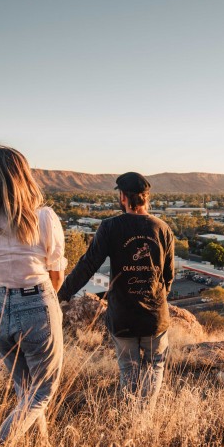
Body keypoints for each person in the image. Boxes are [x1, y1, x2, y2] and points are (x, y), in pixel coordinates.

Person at [0, 145, 66, 443]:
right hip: (36, 302)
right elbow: (56, 274)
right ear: (24, 176)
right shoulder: (44, 218)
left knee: (26, 389)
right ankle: (0, 445)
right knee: (43, 391)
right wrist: (40, 302)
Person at [58, 172, 174, 407]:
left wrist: (62, 293)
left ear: (123, 197)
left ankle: (133, 413)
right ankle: (146, 413)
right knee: (155, 365)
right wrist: (156, 299)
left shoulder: (110, 227)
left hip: (123, 316)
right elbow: (169, 276)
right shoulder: (162, 229)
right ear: (146, 198)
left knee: (129, 369)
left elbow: (87, 265)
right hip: (155, 316)